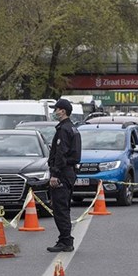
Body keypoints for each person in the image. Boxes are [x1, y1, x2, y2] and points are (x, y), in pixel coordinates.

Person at [46, 99, 81, 252]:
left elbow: (60, 153)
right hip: (69, 172)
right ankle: (64, 239)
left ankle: (66, 241)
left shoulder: (63, 130)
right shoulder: (73, 128)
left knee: (60, 208)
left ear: (63, 111)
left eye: (57, 109)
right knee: (63, 207)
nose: (55, 112)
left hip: (63, 173)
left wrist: (55, 174)